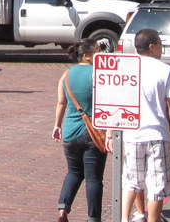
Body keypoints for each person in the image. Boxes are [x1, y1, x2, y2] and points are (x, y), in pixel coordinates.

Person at [119, 27, 170, 222]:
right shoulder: (164, 70)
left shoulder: (127, 69)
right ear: (152, 46)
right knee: (157, 185)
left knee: (132, 181)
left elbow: (116, 102)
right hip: (157, 135)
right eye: (160, 43)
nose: (162, 47)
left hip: (132, 134)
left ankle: (125, 218)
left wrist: (111, 132)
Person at [52, 39, 107, 222]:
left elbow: (61, 102)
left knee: (74, 172)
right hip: (93, 132)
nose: (101, 54)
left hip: (70, 131)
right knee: (93, 179)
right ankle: (93, 218)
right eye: (98, 51)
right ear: (87, 56)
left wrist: (57, 126)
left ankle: (63, 209)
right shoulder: (98, 73)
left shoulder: (66, 74)